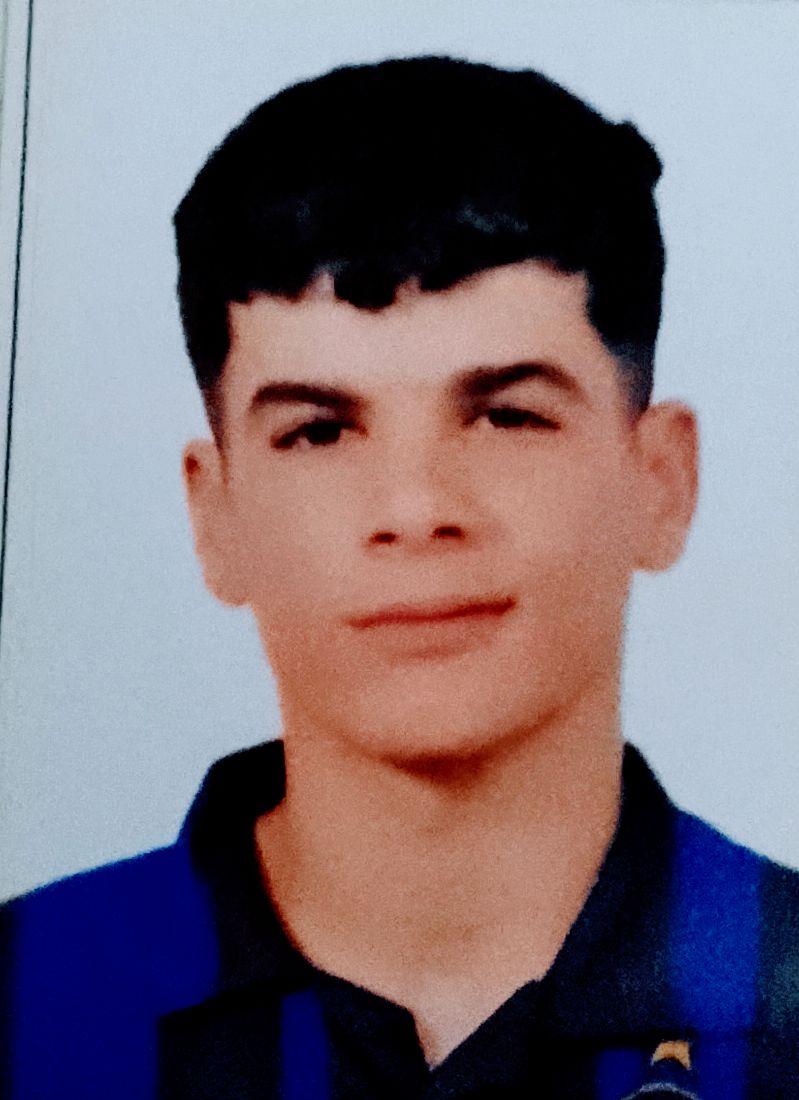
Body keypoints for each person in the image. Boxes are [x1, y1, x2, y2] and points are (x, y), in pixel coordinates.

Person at [1, 55, 797, 1099]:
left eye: (507, 415)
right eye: (319, 430)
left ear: (660, 480)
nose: (416, 508)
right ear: (215, 514)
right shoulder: (25, 1004)